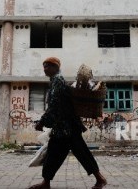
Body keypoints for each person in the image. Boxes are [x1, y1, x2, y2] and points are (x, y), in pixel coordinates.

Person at [29, 57, 107, 189]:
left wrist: (42, 122)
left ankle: (100, 179)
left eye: (47, 66)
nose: (45, 69)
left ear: (55, 67)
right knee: (63, 154)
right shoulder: (55, 81)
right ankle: (46, 183)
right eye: (44, 66)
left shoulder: (58, 81)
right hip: (64, 127)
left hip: (67, 127)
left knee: (72, 154)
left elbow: (54, 105)